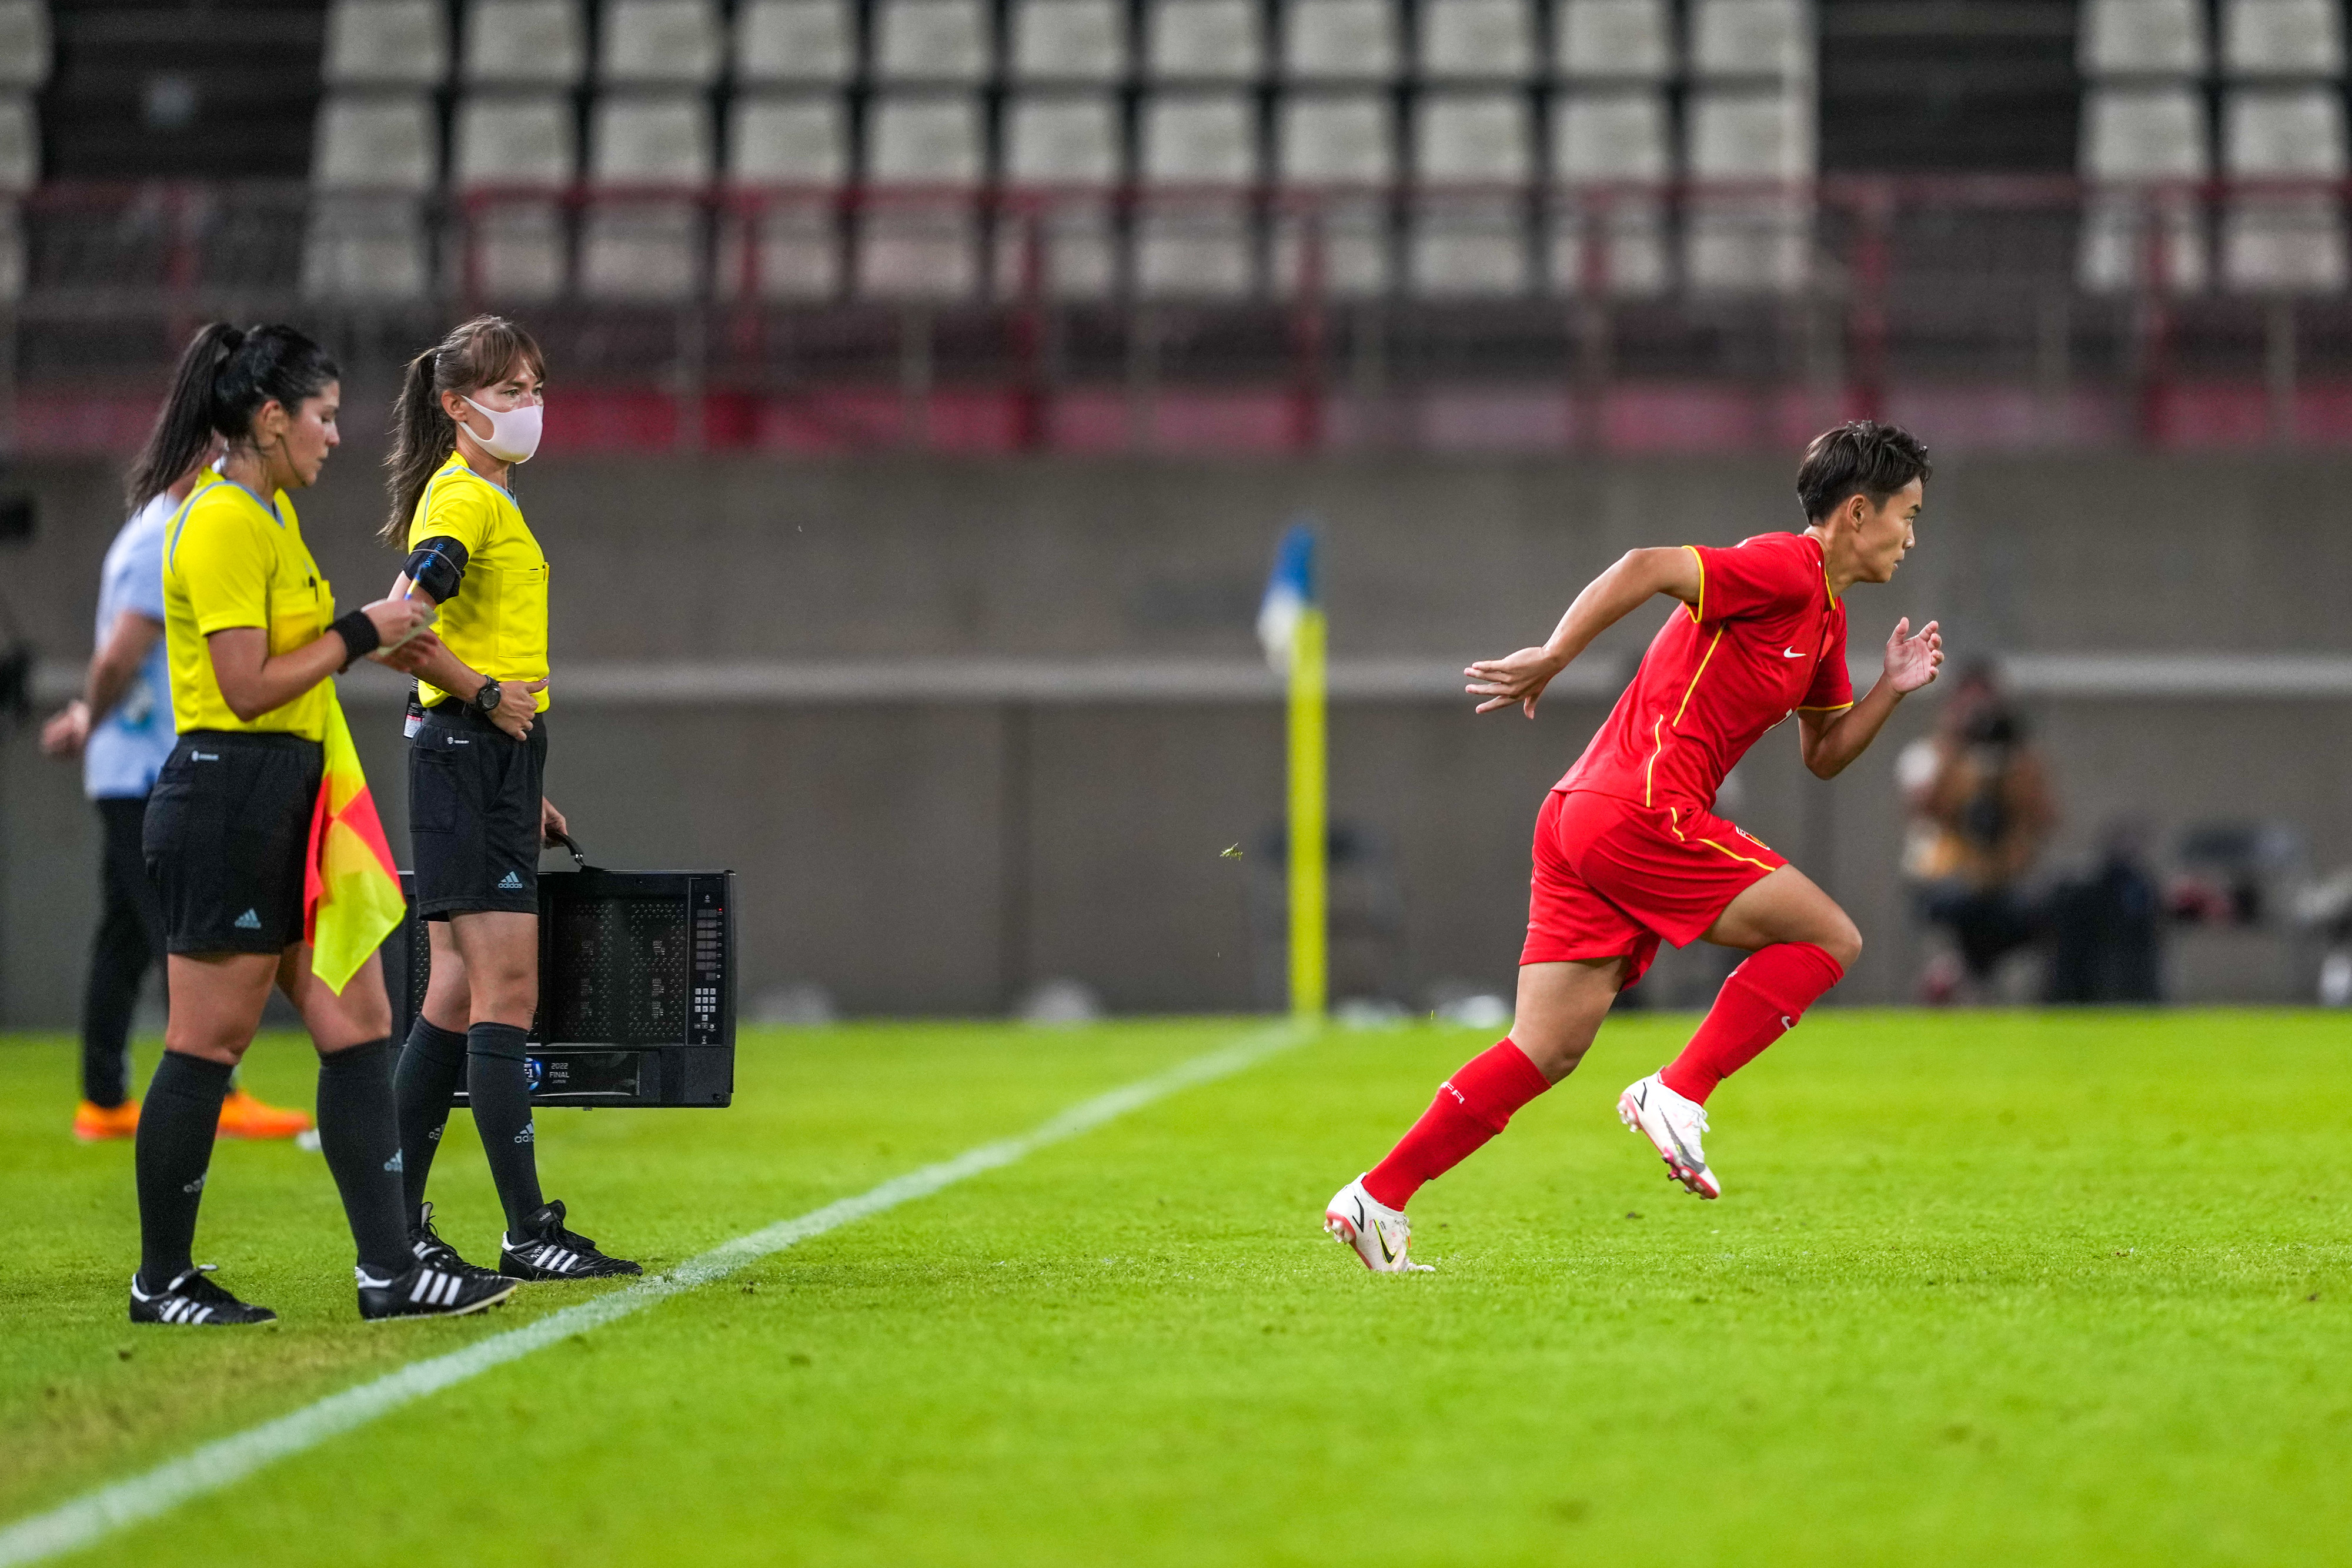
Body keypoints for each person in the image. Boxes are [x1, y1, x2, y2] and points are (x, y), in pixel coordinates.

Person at [1325, 421, 1945, 1271]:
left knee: (1546, 1048)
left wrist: (1891, 689)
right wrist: (1555, 654)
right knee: (1830, 936)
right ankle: (1678, 1089)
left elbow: (1826, 753)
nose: (1912, 536)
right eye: (1907, 514)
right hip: (1639, 809)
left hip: (1585, 814)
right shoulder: (1783, 565)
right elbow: (1645, 565)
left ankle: (1375, 1197)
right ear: (1859, 511)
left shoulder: (1827, 619)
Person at [128, 320, 516, 1324]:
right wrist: (359, 632)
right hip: (228, 793)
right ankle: (161, 1281)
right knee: (207, 1042)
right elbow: (244, 685)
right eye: (325, 416)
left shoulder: (267, 518)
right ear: (270, 418)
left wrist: (365, 637)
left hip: (288, 797)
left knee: (362, 1024)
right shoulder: (220, 523)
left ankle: (391, 1271)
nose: (336, 436)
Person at [379, 315, 638, 1283]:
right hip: (467, 747)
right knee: (505, 992)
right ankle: (525, 1227)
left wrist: (524, 776)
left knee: (454, 989)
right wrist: (485, 699)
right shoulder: (462, 500)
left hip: (484, 759)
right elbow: (406, 623)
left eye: (537, 389)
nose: (530, 408)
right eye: (510, 391)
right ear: (456, 405)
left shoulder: (484, 495)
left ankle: (400, 1220)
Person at [42, 443, 316, 1145]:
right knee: (181, 931)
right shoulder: (163, 534)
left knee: (127, 935)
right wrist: (89, 717)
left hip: (134, 765)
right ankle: (213, 1091)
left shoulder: (173, 528)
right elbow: (118, 655)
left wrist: (87, 721)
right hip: (144, 768)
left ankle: (103, 1100)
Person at [1895, 663, 2055, 1002]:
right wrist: (1956, 747)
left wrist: (2018, 756)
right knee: (1963, 906)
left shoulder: (2015, 761)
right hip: (1943, 880)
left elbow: (2043, 819)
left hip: (2005, 882)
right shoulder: (1929, 755)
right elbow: (1925, 812)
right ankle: (1952, 974)